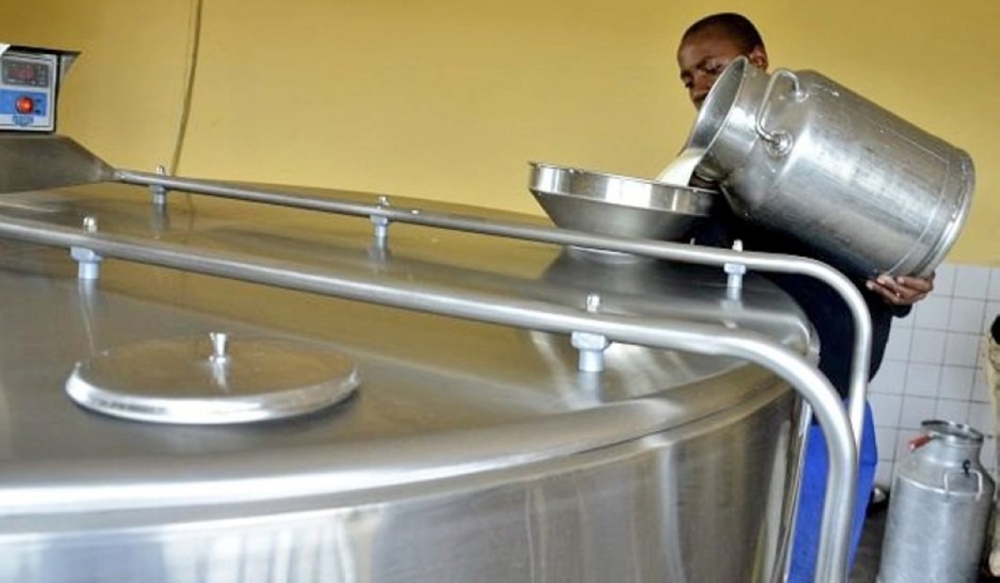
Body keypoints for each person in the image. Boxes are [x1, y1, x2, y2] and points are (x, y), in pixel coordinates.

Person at [675, 12, 935, 583]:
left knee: (811, 564)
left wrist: (907, 284)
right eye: (688, 78)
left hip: (828, 406)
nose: (697, 86)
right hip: (741, 408)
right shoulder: (705, 170)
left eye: (711, 68)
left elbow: (895, 253)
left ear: (756, 62)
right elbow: (682, 268)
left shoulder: (835, 153)